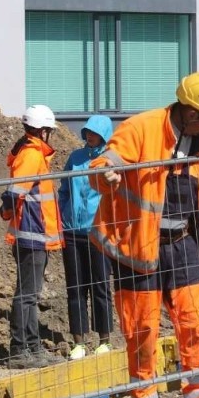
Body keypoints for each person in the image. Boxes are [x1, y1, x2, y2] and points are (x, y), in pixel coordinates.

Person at [88, 71, 199, 398]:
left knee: (195, 327)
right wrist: (108, 174)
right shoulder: (141, 129)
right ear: (192, 113)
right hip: (138, 249)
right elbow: (103, 165)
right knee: (141, 329)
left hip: (184, 246)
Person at [0, 105, 65, 369]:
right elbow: (15, 194)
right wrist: (6, 212)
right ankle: (19, 350)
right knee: (27, 294)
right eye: (50, 131)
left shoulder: (35, 153)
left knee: (30, 294)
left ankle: (33, 347)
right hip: (31, 234)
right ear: (43, 131)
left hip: (35, 233)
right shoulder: (31, 155)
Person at [59, 115, 115, 360]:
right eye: (86, 132)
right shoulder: (75, 158)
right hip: (72, 231)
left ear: (104, 135)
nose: (88, 136)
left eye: (93, 132)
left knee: (100, 285)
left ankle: (104, 339)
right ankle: (79, 341)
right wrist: (63, 216)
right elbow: (63, 190)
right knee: (75, 287)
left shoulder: (109, 160)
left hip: (98, 230)